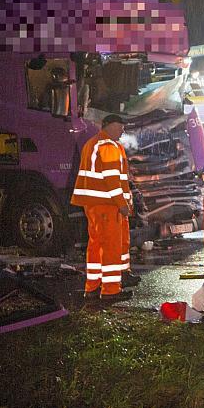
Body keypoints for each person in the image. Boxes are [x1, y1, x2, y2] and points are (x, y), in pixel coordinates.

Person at [71, 114, 140, 301]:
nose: (122, 131)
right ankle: (110, 291)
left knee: (96, 245)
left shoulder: (93, 143)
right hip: (107, 206)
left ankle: (92, 287)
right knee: (110, 246)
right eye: (120, 127)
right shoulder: (108, 146)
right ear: (108, 126)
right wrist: (122, 204)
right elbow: (112, 180)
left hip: (95, 205)